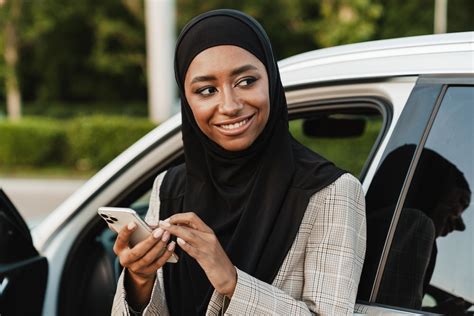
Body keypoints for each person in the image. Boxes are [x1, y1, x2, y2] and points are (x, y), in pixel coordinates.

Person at [112, 9, 366, 315]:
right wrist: (140, 279)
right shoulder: (170, 187)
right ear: (188, 100)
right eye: (207, 90)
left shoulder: (329, 192)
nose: (229, 105)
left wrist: (231, 281)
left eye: (246, 81)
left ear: (271, 80)